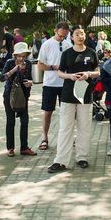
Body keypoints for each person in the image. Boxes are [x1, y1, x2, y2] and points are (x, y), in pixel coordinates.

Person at [48, 27, 99, 173]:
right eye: (77, 34)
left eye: (82, 34)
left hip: (85, 94)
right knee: (65, 128)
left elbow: (98, 71)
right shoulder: (66, 53)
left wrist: (89, 74)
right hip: (68, 95)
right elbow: (59, 72)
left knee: (84, 127)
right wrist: (69, 76)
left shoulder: (91, 52)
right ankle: (61, 160)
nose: (80, 36)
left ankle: (82, 157)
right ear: (72, 37)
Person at [36, 22, 72, 151]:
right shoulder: (47, 44)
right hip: (50, 84)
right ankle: (44, 138)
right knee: (47, 112)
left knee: (67, 112)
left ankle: (67, 138)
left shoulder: (68, 45)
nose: (62, 38)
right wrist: (53, 67)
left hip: (65, 83)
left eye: (65, 36)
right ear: (55, 31)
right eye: (60, 35)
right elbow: (40, 65)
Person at [0, 42, 36, 157]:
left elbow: (30, 79)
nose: (21, 58)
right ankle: (10, 148)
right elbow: (2, 78)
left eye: (23, 55)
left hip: (23, 97)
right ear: (15, 55)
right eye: (19, 55)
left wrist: (30, 83)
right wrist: (14, 70)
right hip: (9, 96)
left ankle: (24, 147)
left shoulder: (29, 64)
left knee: (25, 121)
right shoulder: (10, 63)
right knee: (11, 121)